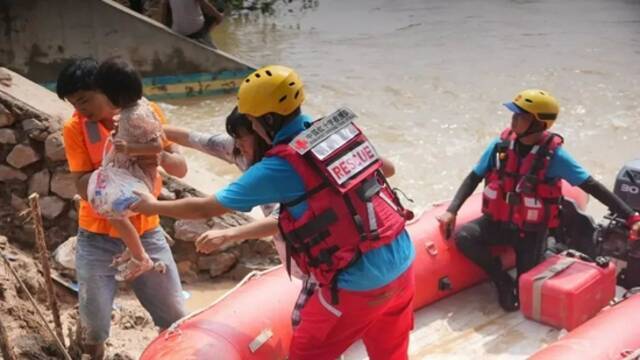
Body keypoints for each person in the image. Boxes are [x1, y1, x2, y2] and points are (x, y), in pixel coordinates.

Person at [132, 65, 416, 359]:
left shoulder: (280, 165)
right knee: (391, 354)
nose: (252, 128)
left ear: (267, 120)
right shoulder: (333, 133)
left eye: (253, 122)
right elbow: (388, 169)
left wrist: (149, 206)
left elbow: (206, 206)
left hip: (354, 284)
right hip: (403, 262)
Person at [164, 107, 397, 327]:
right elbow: (195, 139)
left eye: (243, 137)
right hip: (301, 256)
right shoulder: (239, 151)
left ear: (264, 132)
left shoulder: (288, 165)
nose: (237, 145)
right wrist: (158, 131)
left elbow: (281, 219)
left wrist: (230, 233)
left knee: (309, 325)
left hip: (322, 256)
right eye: (234, 137)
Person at [436, 89, 640, 312]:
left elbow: (592, 186)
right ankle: (501, 278)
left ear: (539, 124)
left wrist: (631, 216)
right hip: (497, 222)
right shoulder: (500, 146)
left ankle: (544, 253)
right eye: (514, 115)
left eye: (520, 116)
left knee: (525, 294)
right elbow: (474, 177)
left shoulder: (556, 157)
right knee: (465, 237)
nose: (513, 119)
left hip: (530, 233)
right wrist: (452, 210)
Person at [57, 58, 186, 359]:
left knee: (174, 315)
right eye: (75, 104)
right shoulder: (76, 127)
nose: (81, 110)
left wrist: (159, 157)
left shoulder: (145, 113)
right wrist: (115, 180)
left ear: (105, 90)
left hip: (147, 230)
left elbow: (179, 166)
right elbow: (80, 183)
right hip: (96, 237)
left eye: (85, 100)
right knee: (94, 325)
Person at [89, 57, 170, 281]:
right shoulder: (135, 109)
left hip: (139, 177)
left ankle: (140, 256)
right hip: (131, 171)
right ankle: (133, 249)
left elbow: (157, 145)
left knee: (112, 209)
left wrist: (128, 148)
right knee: (110, 210)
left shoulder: (136, 115)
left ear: (115, 94)